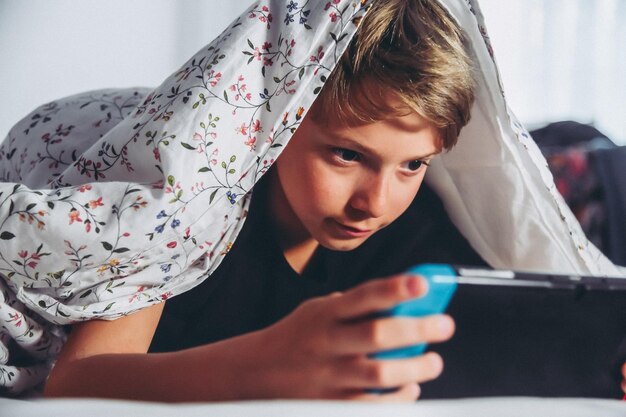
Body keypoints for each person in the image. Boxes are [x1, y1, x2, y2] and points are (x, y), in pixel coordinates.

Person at [0, 0, 624, 401]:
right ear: (278, 126)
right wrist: (269, 363)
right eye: (347, 156)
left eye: (412, 165)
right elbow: (77, 383)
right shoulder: (187, 213)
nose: (374, 203)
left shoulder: (420, 228)